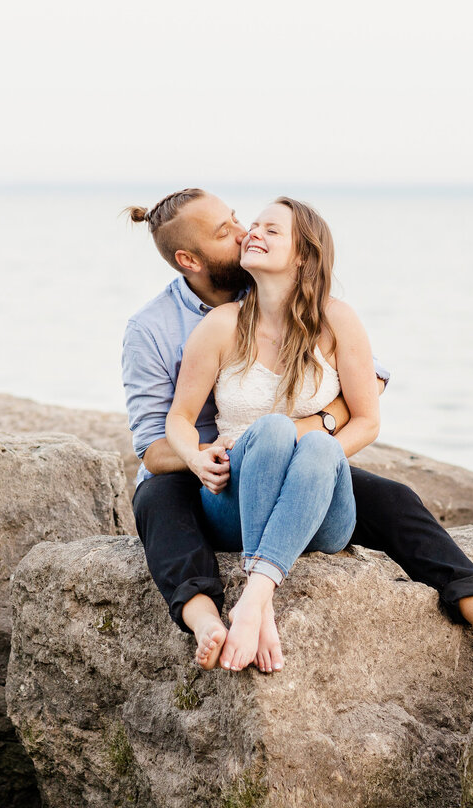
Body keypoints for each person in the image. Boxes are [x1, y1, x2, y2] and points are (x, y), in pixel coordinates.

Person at [122, 188, 473, 673]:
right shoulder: (156, 328)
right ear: (190, 260)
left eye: (239, 220)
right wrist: (200, 455)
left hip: (299, 455)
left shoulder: (285, 291)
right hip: (206, 476)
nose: (244, 232)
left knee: (393, 499)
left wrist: (309, 429)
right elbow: (151, 444)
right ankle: (208, 618)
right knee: (159, 504)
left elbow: (369, 383)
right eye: (226, 231)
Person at [164, 196, 379, 673]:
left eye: (271, 230)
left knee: (318, 443)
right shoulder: (221, 327)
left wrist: (313, 458)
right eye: (253, 225)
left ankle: (253, 598)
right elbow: (178, 418)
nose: (253, 233)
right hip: (235, 505)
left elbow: (368, 420)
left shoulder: (338, 320)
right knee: (277, 428)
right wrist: (196, 458)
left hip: (320, 513)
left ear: (304, 254)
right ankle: (262, 600)